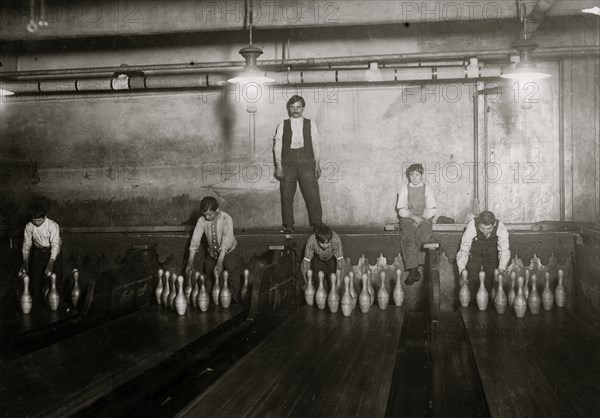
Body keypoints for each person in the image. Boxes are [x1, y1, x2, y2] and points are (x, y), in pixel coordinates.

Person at [274, 95, 323, 234]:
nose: (295, 110)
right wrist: (278, 165)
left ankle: (317, 224)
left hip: (307, 161)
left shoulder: (310, 124)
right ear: (289, 108)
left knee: (312, 193)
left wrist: (317, 163)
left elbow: (316, 144)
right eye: (292, 107)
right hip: (288, 162)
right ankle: (288, 225)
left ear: (303, 108)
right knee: (286, 194)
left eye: (298, 107)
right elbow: (277, 145)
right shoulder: (282, 124)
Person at [186, 197, 240, 300]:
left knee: (234, 278)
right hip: (212, 254)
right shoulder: (201, 221)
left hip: (229, 253)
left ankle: (236, 302)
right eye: (204, 214)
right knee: (210, 276)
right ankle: (213, 302)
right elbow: (195, 240)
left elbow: (226, 240)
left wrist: (220, 261)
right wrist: (190, 261)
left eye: (209, 214)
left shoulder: (226, 218)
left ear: (217, 209)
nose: (206, 217)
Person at [397, 163, 437, 285]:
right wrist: (413, 218)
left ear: (421, 175)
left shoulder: (427, 188)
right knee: (409, 238)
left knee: (421, 237)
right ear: (408, 176)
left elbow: (432, 209)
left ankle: (416, 271)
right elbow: (401, 209)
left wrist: (421, 219)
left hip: (424, 219)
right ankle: (413, 271)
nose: (414, 178)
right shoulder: (405, 188)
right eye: (411, 175)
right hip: (408, 218)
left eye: (417, 175)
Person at [20, 196, 62, 313]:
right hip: (38, 253)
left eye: (39, 220)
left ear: (45, 216)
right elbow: (27, 245)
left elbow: (55, 245)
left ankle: (57, 309)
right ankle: (37, 309)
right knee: (36, 281)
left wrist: (51, 262)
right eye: (34, 220)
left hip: (53, 253)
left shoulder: (53, 226)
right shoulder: (29, 227)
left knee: (55, 280)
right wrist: (25, 261)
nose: (36, 223)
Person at [456, 210, 510, 295]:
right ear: (478, 224)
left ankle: (490, 304)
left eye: (489, 229)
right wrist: (461, 271)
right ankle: (472, 303)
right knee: (472, 277)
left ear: (494, 224)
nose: (485, 232)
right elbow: (463, 250)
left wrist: (501, 269)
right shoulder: (471, 226)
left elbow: (504, 250)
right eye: (482, 228)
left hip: (491, 253)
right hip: (475, 253)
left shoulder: (501, 228)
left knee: (492, 278)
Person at [300, 224, 347, 290]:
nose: (324, 246)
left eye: (327, 243)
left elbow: (341, 262)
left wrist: (340, 282)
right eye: (322, 243)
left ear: (331, 239)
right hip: (317, 260)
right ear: (317, 238)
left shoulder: (336, 240)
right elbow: (306, 263)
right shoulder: (312, 240)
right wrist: (308, 282)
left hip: (331, 259)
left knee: (333, 283)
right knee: (318, 284)